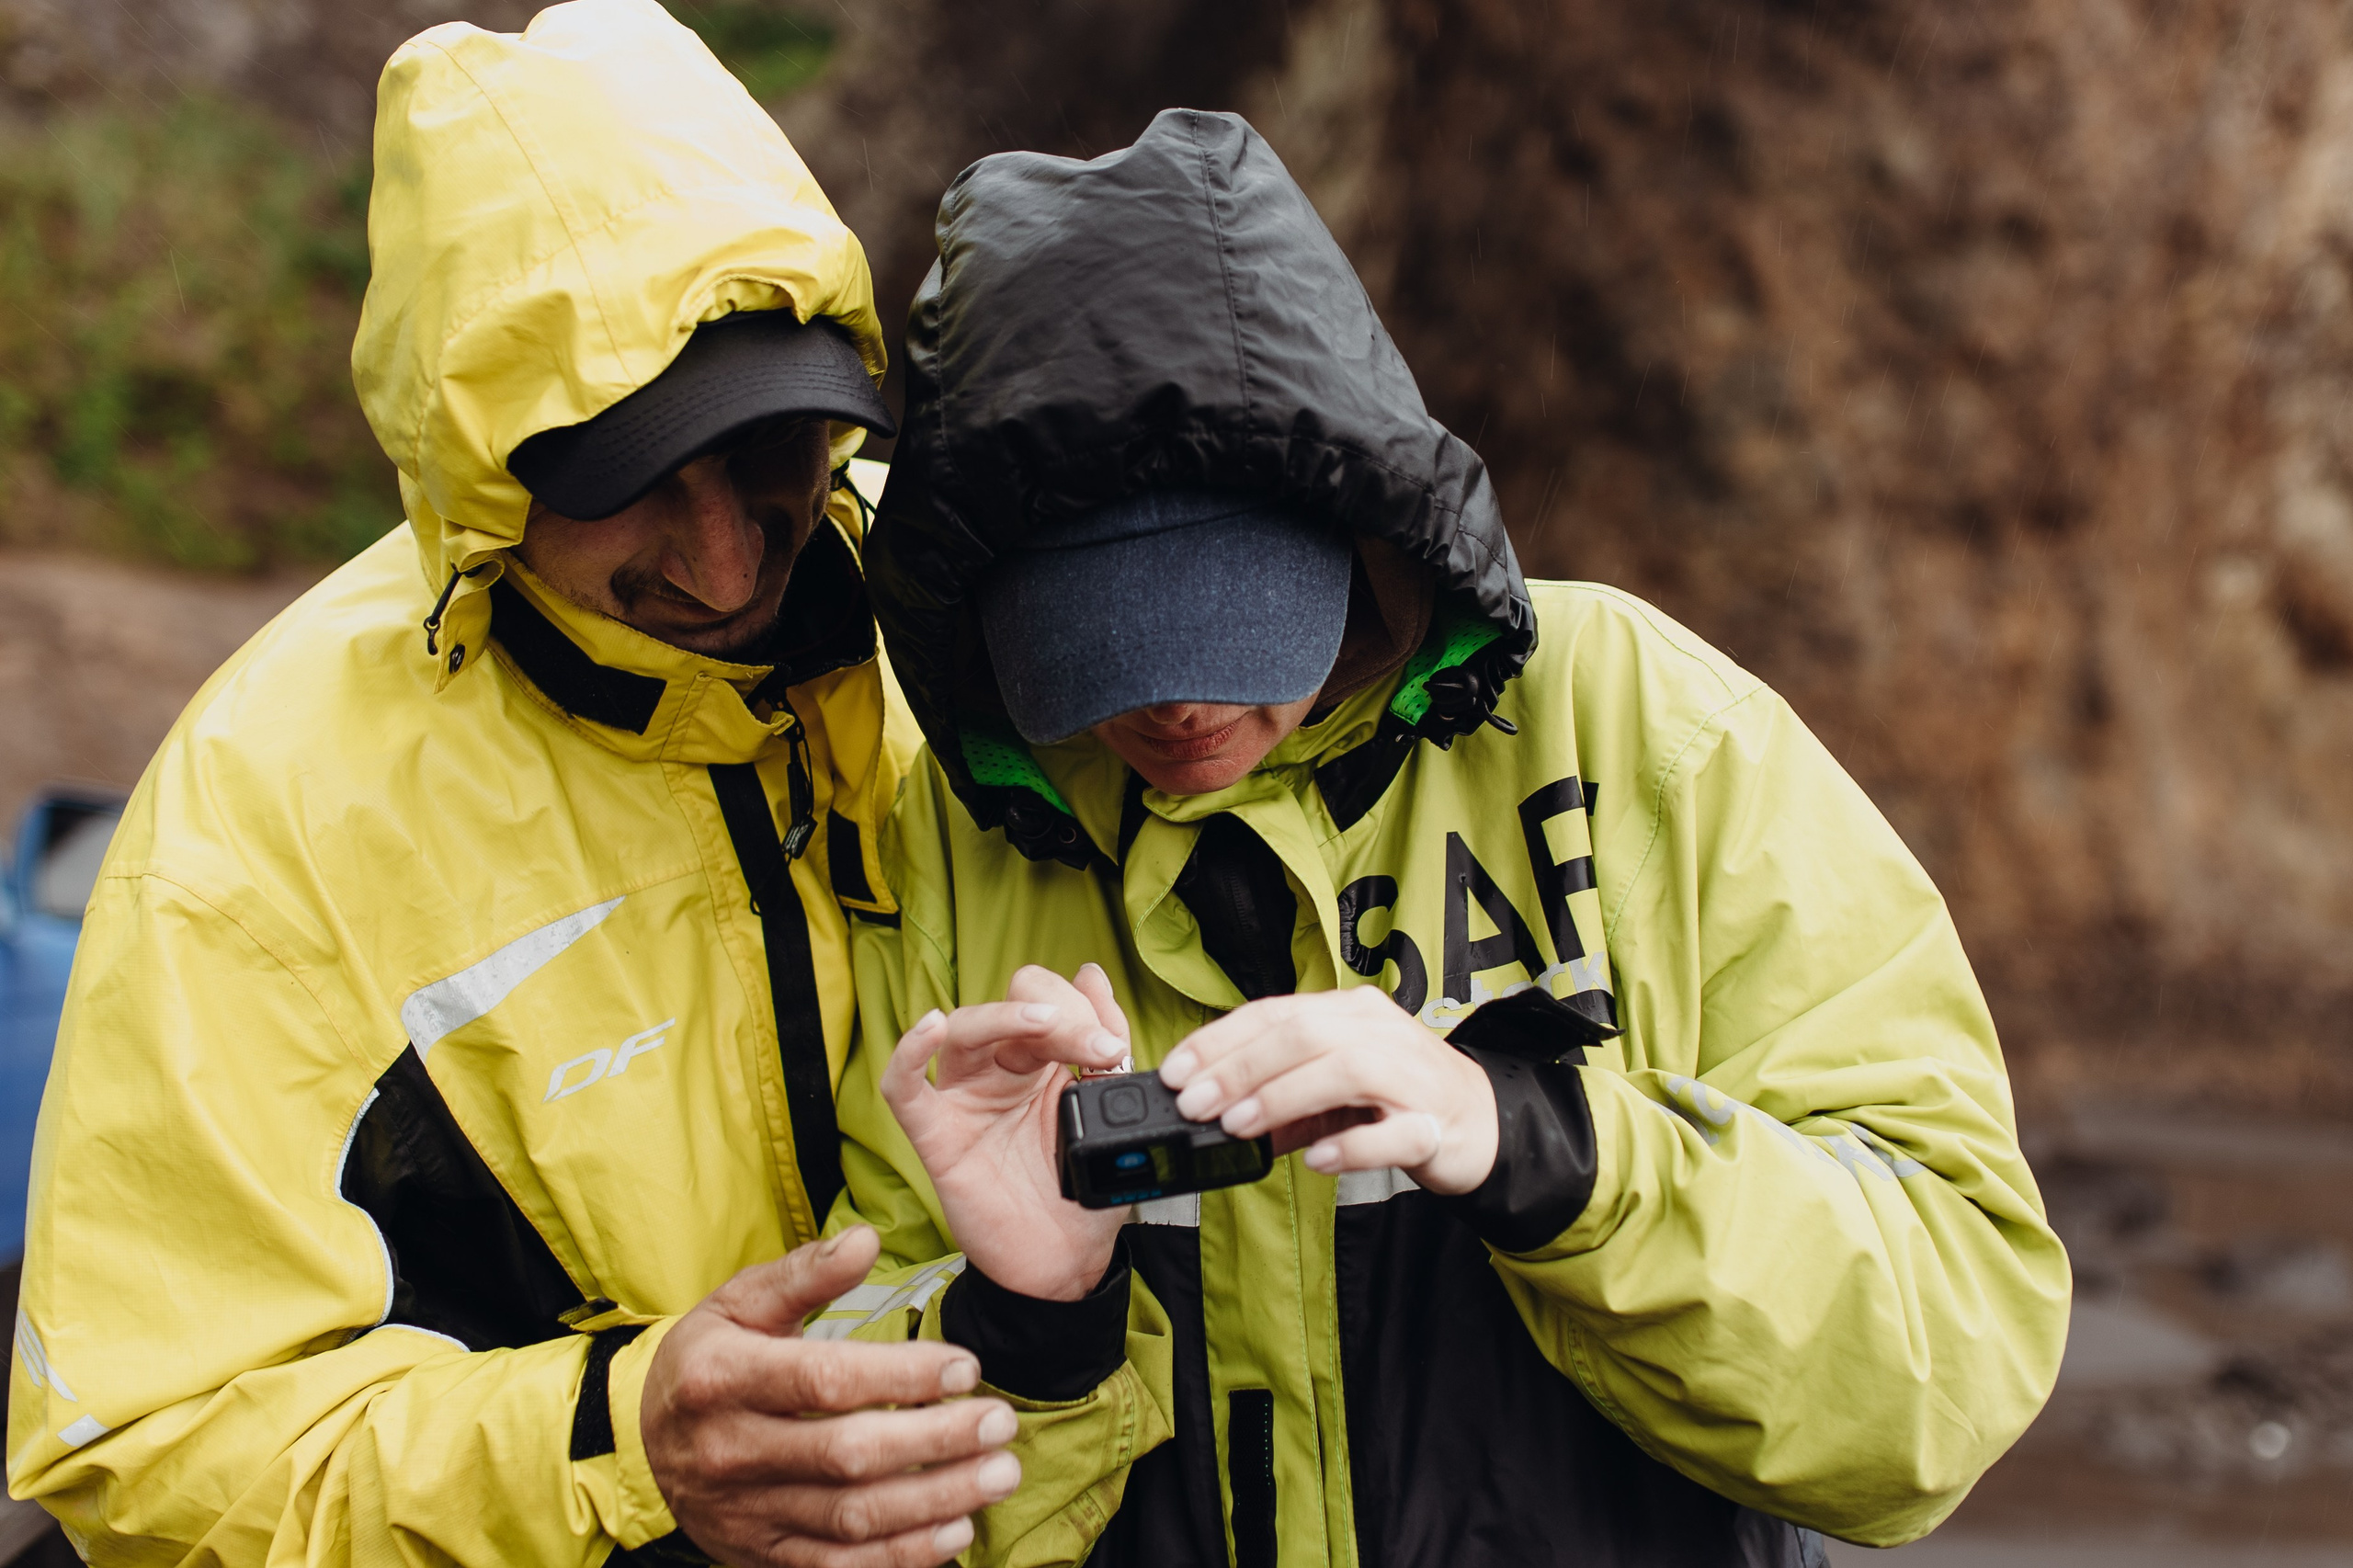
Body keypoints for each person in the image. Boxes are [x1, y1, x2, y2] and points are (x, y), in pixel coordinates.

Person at [828, 109, 2073, 1567]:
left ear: (1357, 516)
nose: (1175, 701)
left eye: (1229, 617)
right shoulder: (958, 844)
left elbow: (1949, 1361)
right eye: (1099, 644)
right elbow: (868, 1490)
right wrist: (1032, 1321)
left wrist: (1546, 1150)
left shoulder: (1636, 730)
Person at [10, 6, 1022, 1566]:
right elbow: (149, 1446)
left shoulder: (963, 597)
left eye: (768, 453)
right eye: (630, 488)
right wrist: (618, 1435)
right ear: (475, 489)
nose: (728, 563)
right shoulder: (264, 817)